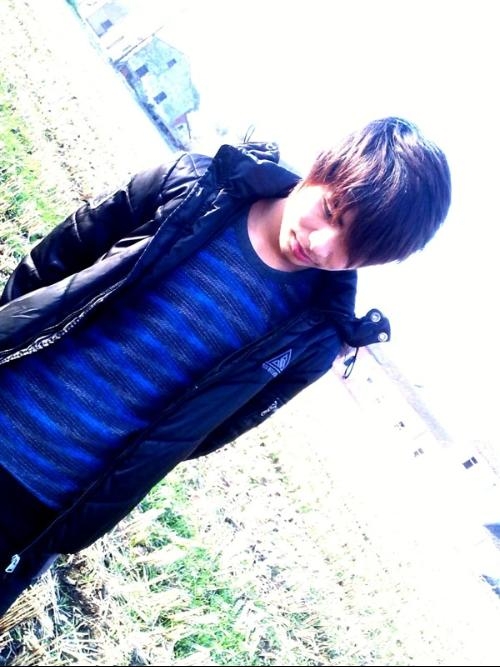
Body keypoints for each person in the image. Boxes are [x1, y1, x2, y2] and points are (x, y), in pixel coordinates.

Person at [0, 116, 451, 616]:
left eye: (355, 251)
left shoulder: (313, 340)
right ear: (321, 169)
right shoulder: (193, 188)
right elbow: (57, 258)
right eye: (330, 212)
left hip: (44, 505)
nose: (324, 246)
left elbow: (205, 431)